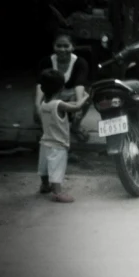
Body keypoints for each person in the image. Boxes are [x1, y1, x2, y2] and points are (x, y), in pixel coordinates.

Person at [37, 69, 90, 203]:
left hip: (45, 142)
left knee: (44, 167)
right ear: (61, 88)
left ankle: (44, 185)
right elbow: (77, 107)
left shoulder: (44, 103)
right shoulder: (59, 104)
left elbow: (67, 105)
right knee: (57, 168)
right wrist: (86, 97)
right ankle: (57, 193)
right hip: (58, 143)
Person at [34, 32, 91, 142]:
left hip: (71, 98)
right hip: (52, 97)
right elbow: (40, 85)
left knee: (86, 98)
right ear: (53, 46)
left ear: (73, 47)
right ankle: (46, 129)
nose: (62, 49)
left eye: (66, 46)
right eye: (58, 46)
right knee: (38, 112)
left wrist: (79, 106)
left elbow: (80, 84)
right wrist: (37, 105)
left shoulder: (80, 62)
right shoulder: (46, 62)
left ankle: (75, 126)